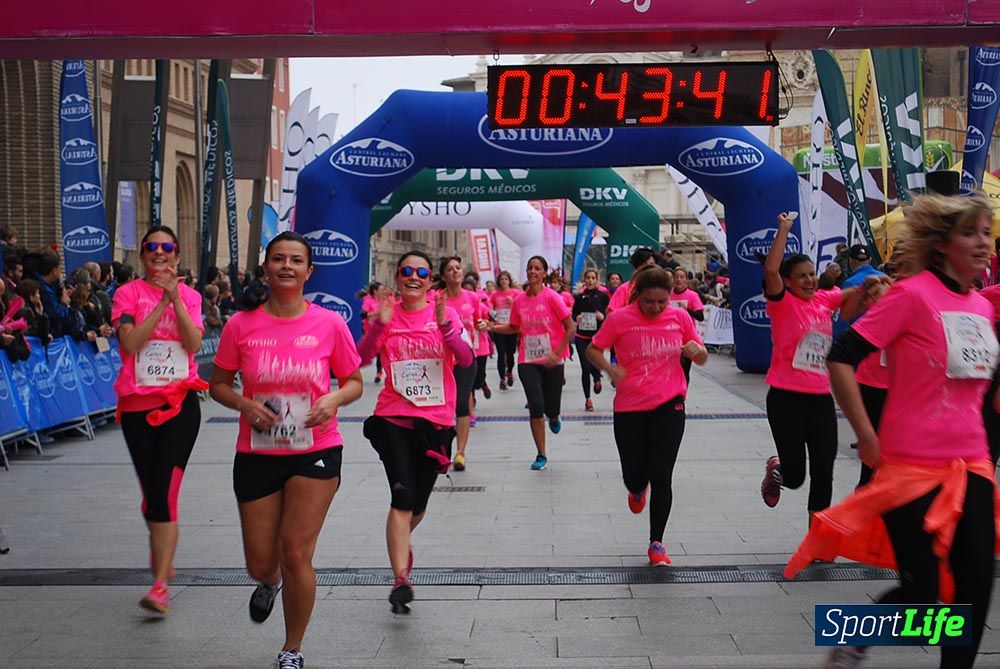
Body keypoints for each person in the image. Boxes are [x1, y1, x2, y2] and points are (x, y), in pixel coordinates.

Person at [786, 193, 1000, 669]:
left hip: (974, 467)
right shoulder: (912, 295)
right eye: (971, 232)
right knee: (924, 596)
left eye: (986, 232)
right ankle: (857, 632)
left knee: (974, 590)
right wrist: (865, 434)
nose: (983, 242)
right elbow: (841, 355)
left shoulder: (982, 308)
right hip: (910, 468)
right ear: (943, 244)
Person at [210, 232, 362, 669]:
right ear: (266, 268)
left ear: (309, 271)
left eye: (297, 260)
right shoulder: (241, 325)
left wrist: (332, 400)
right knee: (262, 561)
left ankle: (292, 648)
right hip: (257, 451)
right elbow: (217, 384)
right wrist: (243, 404)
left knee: (296, 551)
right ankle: (269, 581)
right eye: (279, 259)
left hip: (315, 448)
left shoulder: (329, 324)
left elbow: (354, 381)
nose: (287, 266)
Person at [357, 250, 472, 614]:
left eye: (421, 272)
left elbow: (466, 359)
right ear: (398, 277)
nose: (414, 276)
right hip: (393, 417)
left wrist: (445, 327)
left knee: (417, 505)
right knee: (401, 498)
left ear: (430, 280)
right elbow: (358, 359)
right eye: (406, 270)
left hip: (436, 422)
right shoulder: (385, 315)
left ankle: (403, 543)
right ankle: (400, 579)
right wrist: (378, 324)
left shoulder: (446, 313)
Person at [758, 213, 884, 524]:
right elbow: (771, 269)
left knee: (823, 470)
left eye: (812, 274)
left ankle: (819, 535)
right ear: (788, 281)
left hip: (820, 400)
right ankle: (777, 470)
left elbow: (851, 294)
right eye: (801, 276)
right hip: (785, 399)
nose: (809, 280)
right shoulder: (782, 303)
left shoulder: (824, 301)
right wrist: (784, 229)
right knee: (796, 475)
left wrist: (872, 282)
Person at [111, 225, 206, 616]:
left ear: (177, 255)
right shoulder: (126, 294)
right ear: (143, 254)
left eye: (167, 247)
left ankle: (161, 586)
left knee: (166, 494)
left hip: (181, 404)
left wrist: (176, 301)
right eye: (152, 247)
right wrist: (159, 307)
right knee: (152, 495)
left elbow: (194, 344)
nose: (159, 252)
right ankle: (161, 551)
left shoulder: (191, 296)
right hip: (137, 406)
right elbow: (131, 344)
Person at [587, 267, 707, 565]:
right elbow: (593, 349)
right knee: (634, 475)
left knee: (662, 474)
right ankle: (637, 488)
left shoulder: (680, 317)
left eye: (661, 302)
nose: (655, 308)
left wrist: (697, 351)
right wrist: (611, 369)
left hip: (670, 403)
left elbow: (702, 355)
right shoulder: (619, 319)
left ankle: (657, 543)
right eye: (649, 302)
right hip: (630, 407)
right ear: (637, 296)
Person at [489, 256, 575, 470]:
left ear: (544, 274)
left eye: (537, 268)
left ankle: (554, 416)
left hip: (553, 359)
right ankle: (541, 453)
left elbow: (570, 326)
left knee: (551, 407)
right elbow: (513, 327)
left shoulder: (553, 298)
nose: (533, 272)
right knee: (536, 405)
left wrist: (558, 352)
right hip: (528, 359)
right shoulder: (520, 300)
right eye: (530, 268)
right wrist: (492, 327)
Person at [572, 268, 610, 412]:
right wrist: (577, 318)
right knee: (585, 367)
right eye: (588, 278)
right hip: (582, 337)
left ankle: (597, 378)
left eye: (593, 278)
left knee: (594, 364)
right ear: (584, 280)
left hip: (596, 337)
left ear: (597, 280)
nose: (590, 280)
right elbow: (574, 314)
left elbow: (610, 315)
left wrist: (603, 317)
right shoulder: (579, 297)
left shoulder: (603, 297)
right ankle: (588, 399)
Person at [668, 268, 705, 385]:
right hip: (671, 337)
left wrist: (687, 309)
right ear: (673, 279)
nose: (679, 280)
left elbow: (700, 316)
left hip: (687, 338)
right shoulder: (668, 295)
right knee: (672, 369)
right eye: (677, 277)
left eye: (682, 277)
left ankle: (682, 397)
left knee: (684, 369)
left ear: (686, 280)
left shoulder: (692, 295)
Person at [490, 270, 519, 391]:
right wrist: (492, 316)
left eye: (506, 279)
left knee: (511, 352)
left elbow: (521, 306)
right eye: (502, 279)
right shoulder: (495, 295)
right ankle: (502, 379)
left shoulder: (515, 293)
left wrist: (514, 303)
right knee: (501, 354)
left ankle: (510, 372)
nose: (504, 281)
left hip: (511, 327)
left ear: (509, 281)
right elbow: (490, 310)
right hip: (499, 327)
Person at [359, 282, 384, 383]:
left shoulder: (383, 301)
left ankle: (379, 373)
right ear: (375, 291)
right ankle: (354, 370)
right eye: (381, 290)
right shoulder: (368, 300)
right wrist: (375, 313)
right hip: (368, 329)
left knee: (380, 352)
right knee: (368, 351)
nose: (382, 292)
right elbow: (363, 315)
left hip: (380, 330)